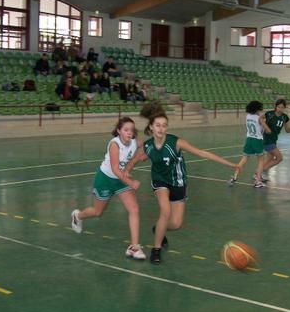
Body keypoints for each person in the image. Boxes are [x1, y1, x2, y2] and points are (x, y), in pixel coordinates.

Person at [124, 102, 240, 264]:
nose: (161, 129)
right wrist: (127, 172)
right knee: (165, 211)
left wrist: (230, 164)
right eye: (157, 125)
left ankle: (158, 229)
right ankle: (156, 250)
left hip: (178, 183)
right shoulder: (147, 146)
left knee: (176, 224)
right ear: (151, 127)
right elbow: (134, 160)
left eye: (164, 126)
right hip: (160, 181)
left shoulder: (176, 143)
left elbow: (202, 153)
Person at [71, 117, 145, 260]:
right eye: (126, 130)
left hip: (121, 181)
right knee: (98, 212)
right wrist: (131, 182)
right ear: (118, 131)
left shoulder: (135, 142)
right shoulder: (114, 145)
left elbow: (144, 146)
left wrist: (138, 157)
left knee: (134, 209)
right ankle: (77, 216)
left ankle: (134, 247)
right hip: (105, 179)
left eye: (132, 130)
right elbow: (116, 170)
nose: (129, 133)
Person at [228, 100, 272, 188]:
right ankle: (258, 181)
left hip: (249, 139)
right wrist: (264, 121)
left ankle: (234, 176)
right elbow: (268, 131)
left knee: (244, 159)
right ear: (257, 109)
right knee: (260, 161)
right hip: (257, 140)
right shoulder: (259, 118)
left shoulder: (248, 116)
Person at [261, 98, 290, 181]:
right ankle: (263, 171)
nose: (280, 109)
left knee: (269, 158)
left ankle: (257, 173)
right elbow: (260, 119)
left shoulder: (285, 117)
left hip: (274, 139)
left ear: (284, 108)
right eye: (279, 107)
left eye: (282, 107)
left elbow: (287, 130)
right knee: (279, 158)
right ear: (276, 106)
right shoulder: (269, 114)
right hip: (267, 139)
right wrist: (265, 127)